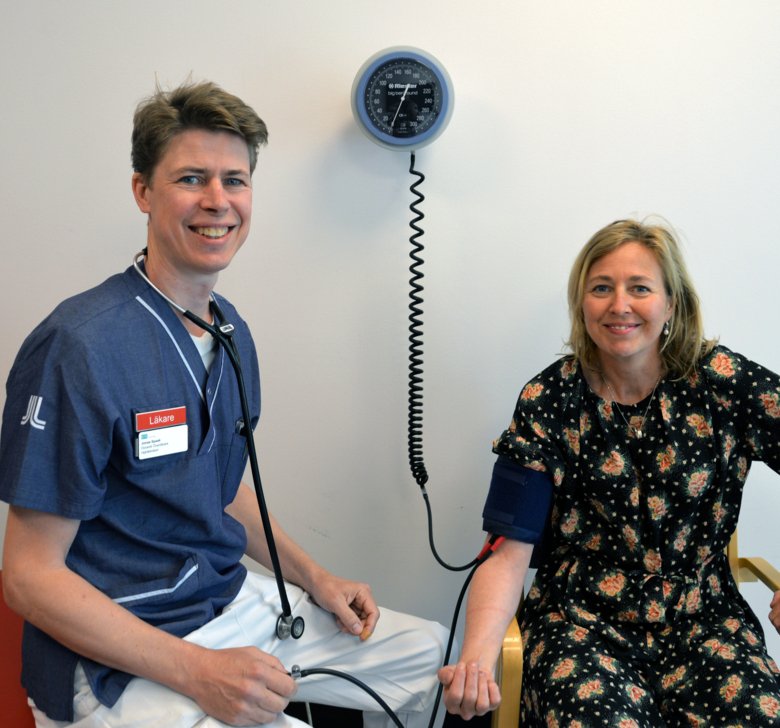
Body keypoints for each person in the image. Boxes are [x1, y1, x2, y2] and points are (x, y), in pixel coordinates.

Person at [0, 80, 448, 728]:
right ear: (143, 191)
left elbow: (217, 483)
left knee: (436, 658)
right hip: (117, 653)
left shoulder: (228, 333)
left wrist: (315, 577)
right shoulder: (79, 346)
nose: (218, 200)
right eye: (191, 178)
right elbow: (28, 577)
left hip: (221, 600)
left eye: (234, 180)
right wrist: (198, 672)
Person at [439, 219, 780, 726]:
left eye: (639, 288)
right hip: (581, 624)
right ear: (582, 303)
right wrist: (475, 660)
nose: (619, 305)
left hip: (706, 621)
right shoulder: (548, 400)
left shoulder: (722, 383)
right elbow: (508, 552)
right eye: (601, 288)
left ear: (672, 303)